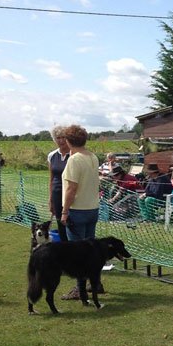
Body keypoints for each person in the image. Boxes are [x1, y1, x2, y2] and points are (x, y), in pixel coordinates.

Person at [60, 124, 101, 299]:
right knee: (91, 251)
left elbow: (71, 189)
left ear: (69, 141)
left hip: (77, 211)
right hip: (92, 208)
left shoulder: (74, 160)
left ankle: (80, 289)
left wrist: (64, 211)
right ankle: (95, 283)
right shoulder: (92, 157)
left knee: (77, 254)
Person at [47, 125, 70, 241]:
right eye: (58, 138)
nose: (61, 141)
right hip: (56, 194)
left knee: (71, 224)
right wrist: (50, 199)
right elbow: (51, 178)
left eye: (63, 137)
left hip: (71, 194)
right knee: (60, 223)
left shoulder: (74, 155)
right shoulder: (52, 156)